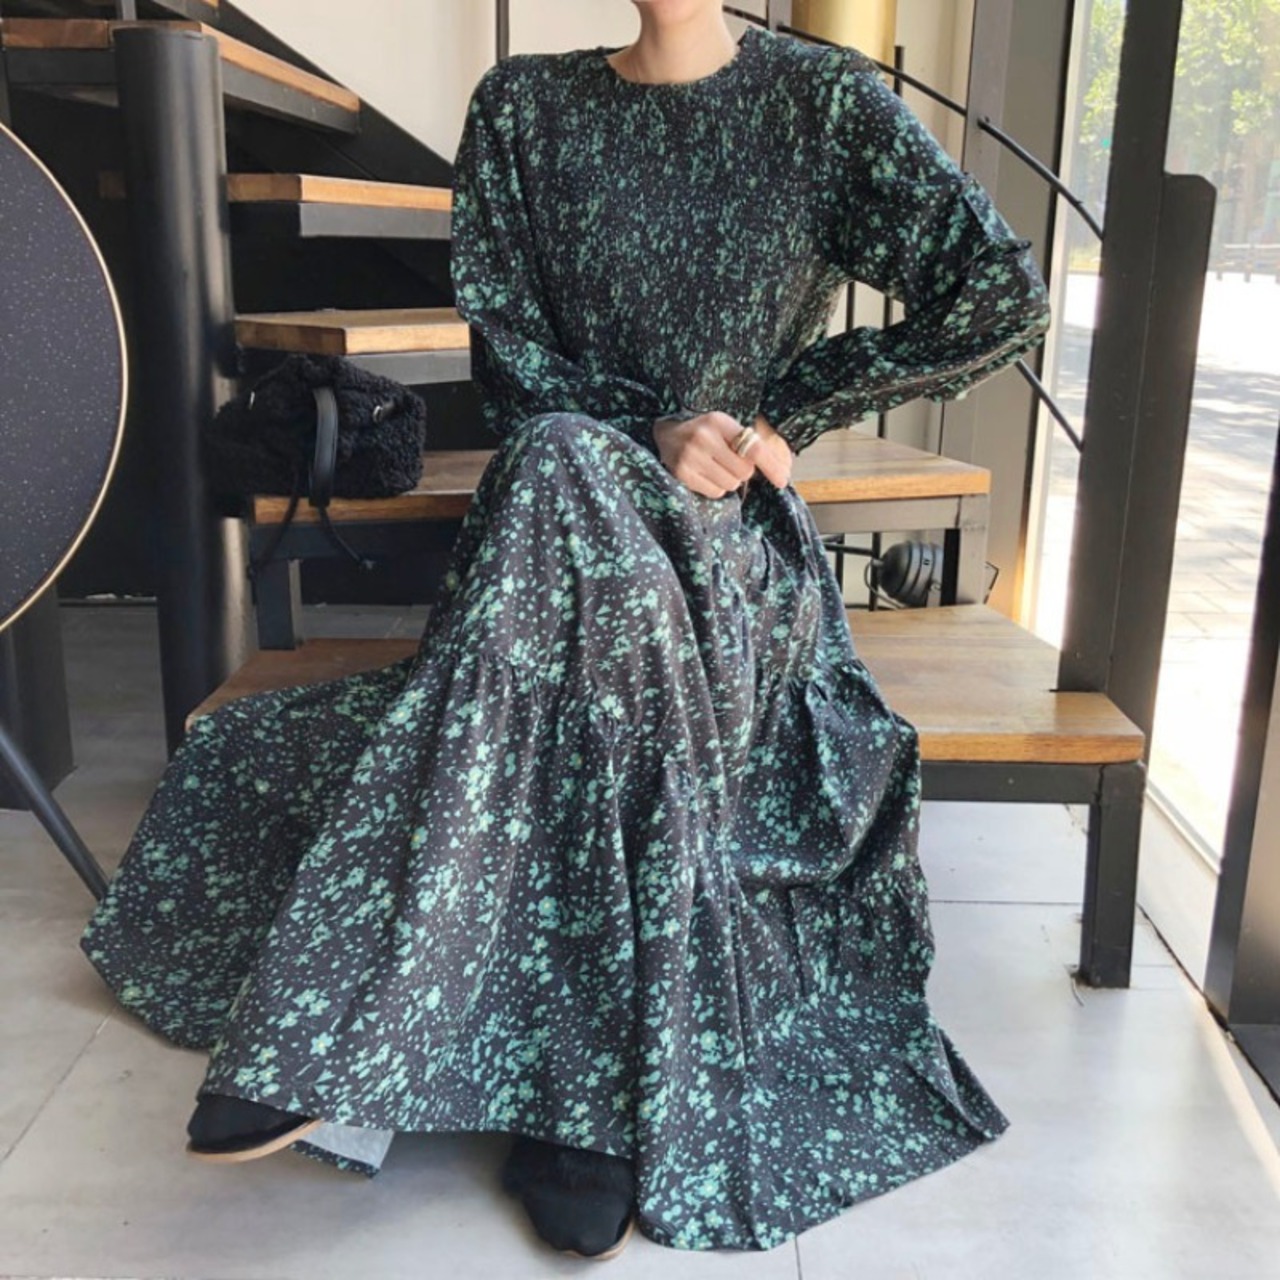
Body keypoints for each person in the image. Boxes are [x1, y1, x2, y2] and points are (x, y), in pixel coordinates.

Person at [80, 0, 1052, 1261]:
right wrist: (645, 429)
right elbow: (508, 366)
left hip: (723, 553)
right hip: (558, 521)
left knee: (559, 501)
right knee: (554, 456)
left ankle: (341, 1028)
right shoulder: (522, 108)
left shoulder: (823, 106)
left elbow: (997, 293)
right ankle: (581, 1098)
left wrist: (783, 415)